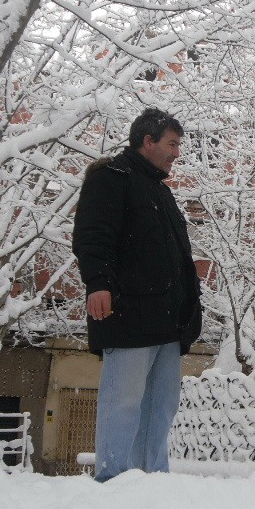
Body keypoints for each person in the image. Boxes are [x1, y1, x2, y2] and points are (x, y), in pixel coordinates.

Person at [72, 108, 202, 482]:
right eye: (172, 143)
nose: (177, 153)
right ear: (148, 141)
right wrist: (97, 283)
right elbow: (92, 236)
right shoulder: (110, 179)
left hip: (168, 321)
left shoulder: (161, 193)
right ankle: (113, 479)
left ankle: (152, 482)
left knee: (161, 407)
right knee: (124, 402)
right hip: (128, 314)